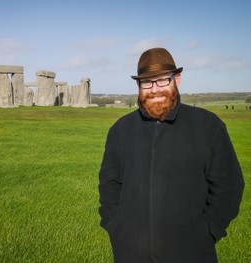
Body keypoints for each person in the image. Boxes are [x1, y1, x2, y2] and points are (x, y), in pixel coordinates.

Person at [98, 47, 244, 263]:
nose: (155, 89)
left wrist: (208, 232)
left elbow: (229, 186)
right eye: (147, 82)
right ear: (138, 85)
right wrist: (115, 225)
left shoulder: (209, 126)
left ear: (177, 79)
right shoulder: (120, 130)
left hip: (192, 253)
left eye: (163, 80)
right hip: (130, 254)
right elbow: (109, 185)